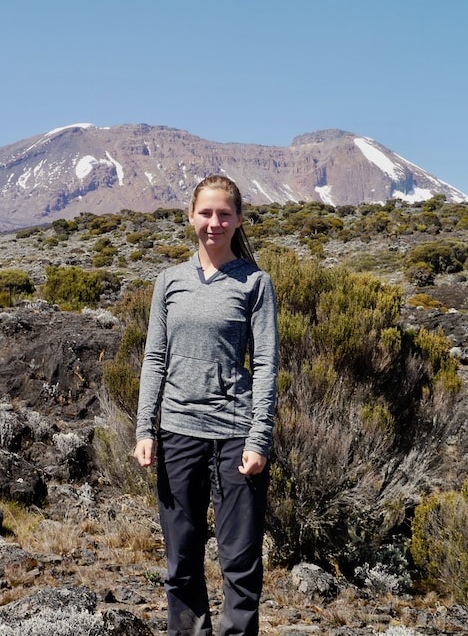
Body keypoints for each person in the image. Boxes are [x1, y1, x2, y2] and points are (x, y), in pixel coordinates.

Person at [134, 174, 279, 636]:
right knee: (181, 561)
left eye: (224, 214)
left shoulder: (254, 282)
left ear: (237, 220)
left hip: (235, 437)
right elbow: (154, 357)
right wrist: (144, 428)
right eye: (205, 213)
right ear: (190, 217)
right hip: (178, 434)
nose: (213, 223)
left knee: (239, 565)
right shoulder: (169, 281)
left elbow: (266, 363)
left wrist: (259, 438)